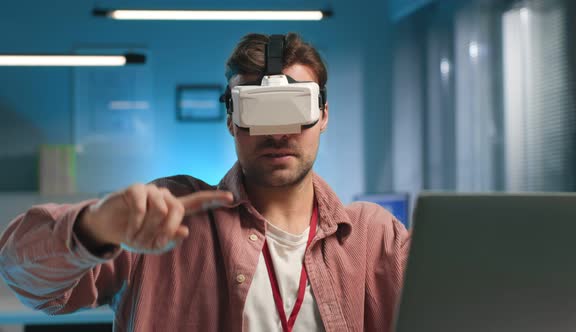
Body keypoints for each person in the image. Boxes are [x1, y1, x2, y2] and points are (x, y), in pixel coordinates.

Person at [0, 33, 410, 332]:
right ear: (232, 119)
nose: (279, 133)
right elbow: (24, 278)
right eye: (258, 111)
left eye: (294, 109)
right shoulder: (165, 219)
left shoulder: (375, 238)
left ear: (323, 115)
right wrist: (95, 228)